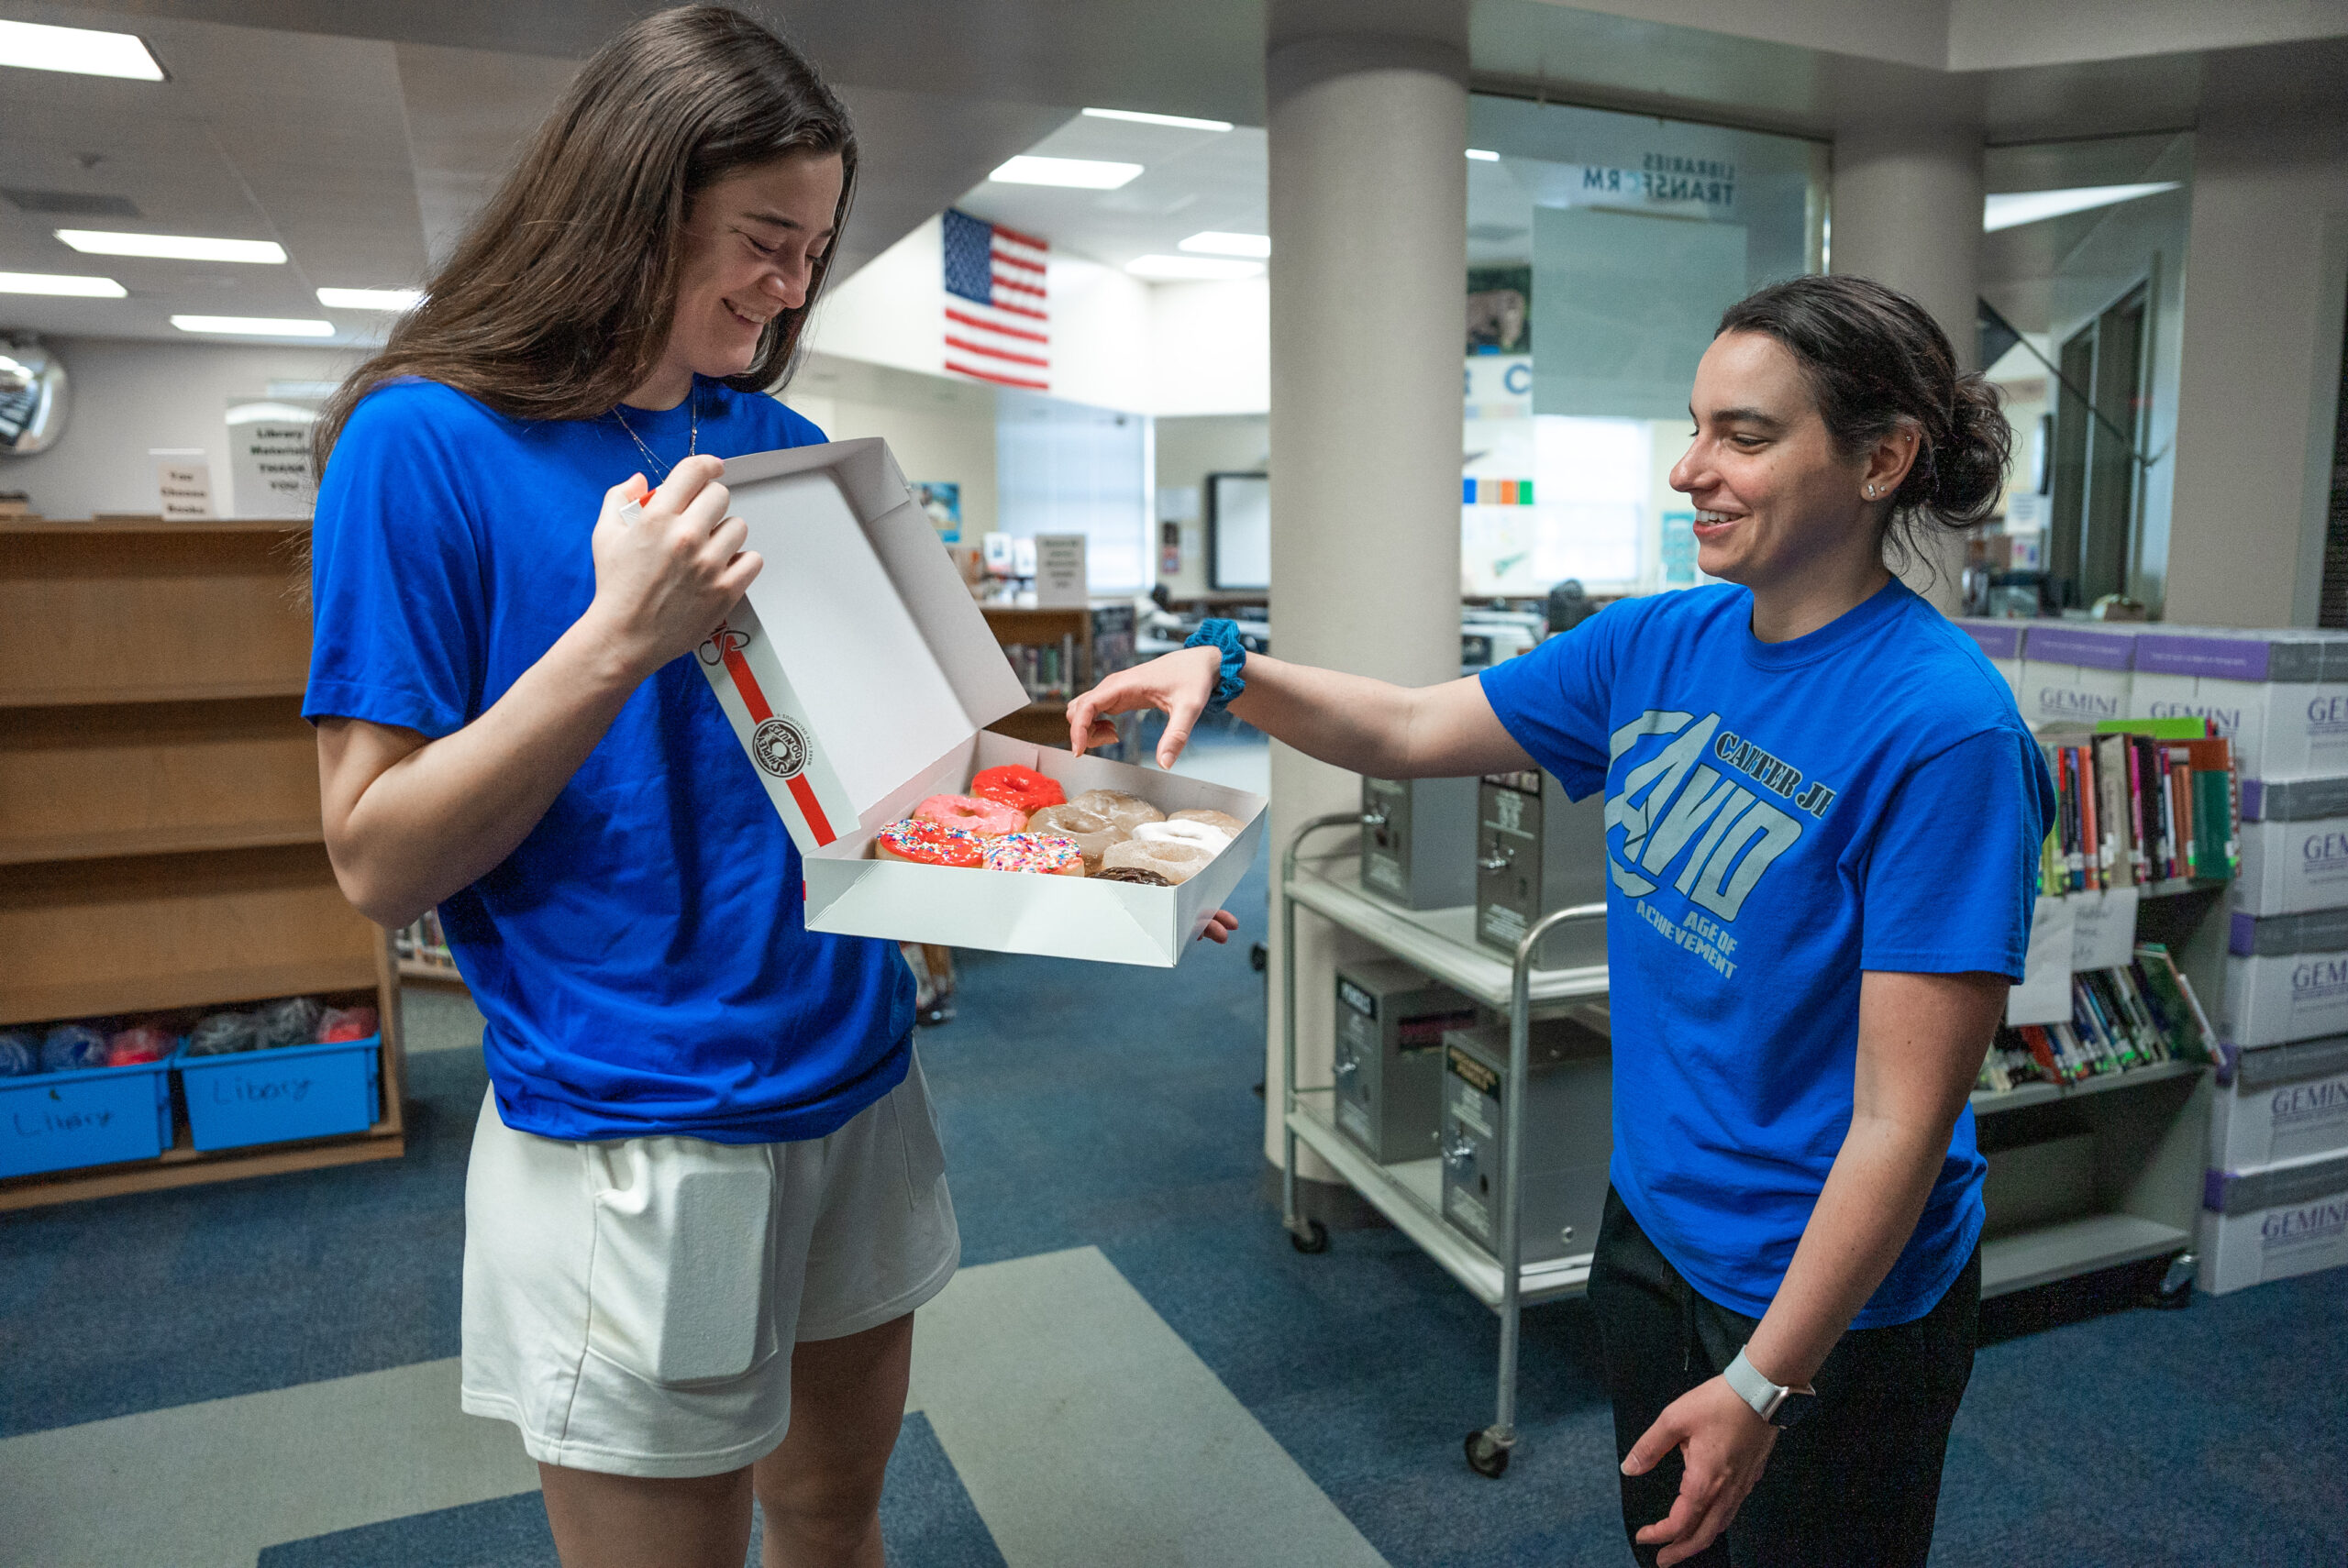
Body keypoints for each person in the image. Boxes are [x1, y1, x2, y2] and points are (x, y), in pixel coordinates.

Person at [305, 12, 1242, 1566]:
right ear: (629, 207)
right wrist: (617, 640)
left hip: (852, 1074)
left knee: (834, 1522)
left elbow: (903, 769)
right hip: (639, 1126)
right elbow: (376, 858)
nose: (792, 286)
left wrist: (1108, 855)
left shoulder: (783, 445)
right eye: (762, 241)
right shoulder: (423, 446)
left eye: (814, 249)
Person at [1072, 274, 2049, 1568]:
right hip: (1653, 1224)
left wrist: (1767, 1380)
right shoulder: (1657, 643)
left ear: (1881, 459)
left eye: (1745, 436)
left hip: (1834, 1299)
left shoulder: (1944, 731)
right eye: (1693, 426)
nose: (1691, 470)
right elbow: (1415, 724)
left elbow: (1901, 1120)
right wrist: (1231, 666)